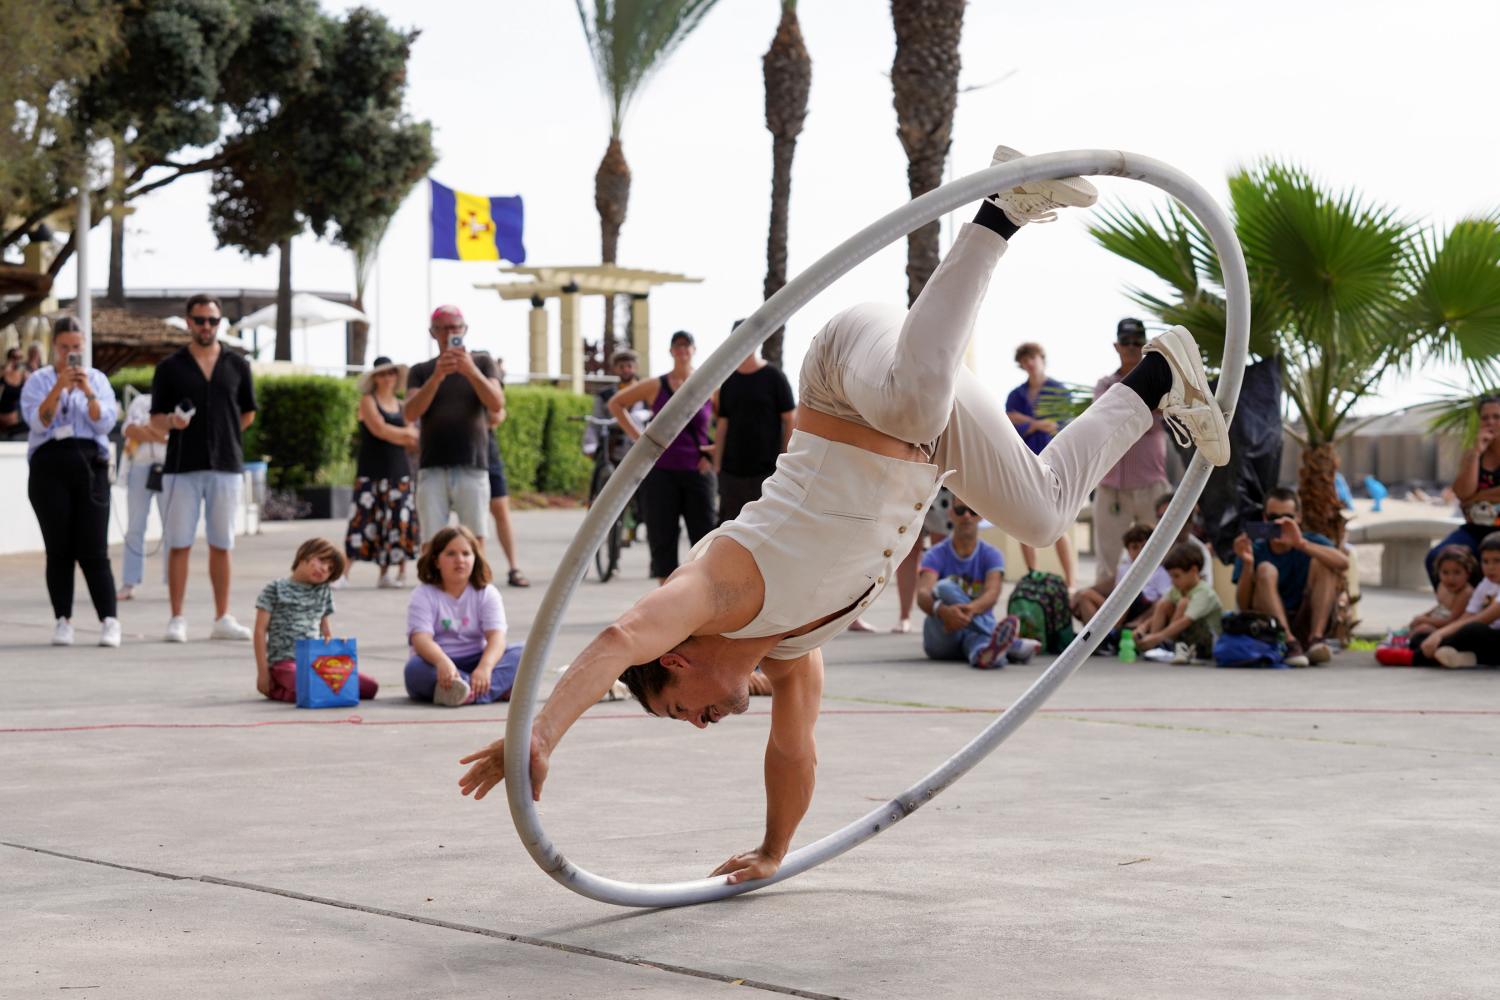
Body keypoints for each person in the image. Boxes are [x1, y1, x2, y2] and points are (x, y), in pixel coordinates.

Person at [457, 145, 1231, 885]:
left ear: (681, 662)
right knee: (1041, 513)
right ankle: (1159, 378)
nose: (699, 724)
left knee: (913, 399)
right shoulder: (793, 655)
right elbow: (793, 754)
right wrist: (772, 850)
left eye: (681, 711)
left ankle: (1001, 207)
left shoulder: (717, 588)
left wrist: (540, 735)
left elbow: (621, 638)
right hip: (926, 432)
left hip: (850, 372)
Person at [149, 293, 257, 643]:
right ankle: (176, 617)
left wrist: (224, 434)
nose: (206, 326)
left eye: (213, 320)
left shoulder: (237, 364)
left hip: (226, 463)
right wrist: (173, 422)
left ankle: (222, 616)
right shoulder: (170, 367)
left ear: (220, 323)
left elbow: (247, 413)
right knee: (179, 543)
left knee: (222, 543)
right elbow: (155, 419)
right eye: (200, 320)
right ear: (188, 322)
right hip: (182, 466)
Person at [20, 316, 122, 647]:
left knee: (94, 548)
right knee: (59, 548)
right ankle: (62, 619)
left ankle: (109, 620)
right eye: (64, 347)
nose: (70, 354)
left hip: (91, 466)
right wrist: (58, 388)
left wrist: (87, 391)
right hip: (49, 467)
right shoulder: (38, 381)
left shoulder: (98, 380)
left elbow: (105, 423)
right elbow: (37, 422)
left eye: (76, 347)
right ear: (54, 346)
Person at [608, 330, 717, 582]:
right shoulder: (656, 385)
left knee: (703, 541)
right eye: (677, 346)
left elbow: (727, 420)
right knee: (662, 539)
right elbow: (616, 403)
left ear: (694, 350)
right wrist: (640, 440)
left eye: (687, 345)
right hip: (661, 472)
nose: (682, 350)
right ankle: (667, 594)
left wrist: (714, 453)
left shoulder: (710, 384)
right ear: (670, 351)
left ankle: (699, 594)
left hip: (698, 471)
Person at [403, 306, 505, 551]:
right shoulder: (421, 371)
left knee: (475, 540)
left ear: (464, 330)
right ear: (432, 333)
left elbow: (496, 403)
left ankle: (475, 578)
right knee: (430, 541)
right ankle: (431, 578)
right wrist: (437, 377)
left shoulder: (482, 363)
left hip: (472, 464)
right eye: (443, 329)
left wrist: (471, 372)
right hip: (432, 466)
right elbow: (410, 413)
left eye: (455, 328)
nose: (449, 334)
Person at [1090, 318, 1170, 591]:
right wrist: (1147, 409)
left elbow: (1156, 421)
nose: (1132, 347)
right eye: (1126, 341)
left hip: (1152, 486)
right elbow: (1106, 419)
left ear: (1145, 345)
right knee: (1108, 562)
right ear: (1117, 345)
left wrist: (1132, 411)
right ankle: (1105, 615)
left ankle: (1154, 609)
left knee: (1158, 556)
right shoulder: (1105, 384)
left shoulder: (1163, 382)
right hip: (1111, 488)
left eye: (1137, 341)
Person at [1231, 487, 1348, 668]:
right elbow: (1243, 604)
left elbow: (1343, 563)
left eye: (1287, 517)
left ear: (1298, 517)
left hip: (1305, 618)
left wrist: (1301, 544)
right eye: (1273, 518)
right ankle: (1288, 642)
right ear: (1264, 518)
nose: (1279, 523)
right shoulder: (1254, 548)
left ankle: (1316, 639)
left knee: (1324, 563)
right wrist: (1247, 564)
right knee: (1265, 569)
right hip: (1269, 625)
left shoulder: (1309, 541)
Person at [404, 524, 520, 706]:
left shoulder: (487, 593)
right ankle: (491, 690)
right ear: (436, 561)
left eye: (466, 554)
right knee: (414, 670)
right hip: (438, 663)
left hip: (478, 659)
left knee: (525, 653)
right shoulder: (423, 594)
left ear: (475, 558)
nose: (460, 560)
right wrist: (442, 662)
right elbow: (421, 640)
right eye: (451, 554)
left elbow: (497, 638)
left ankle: (465, 692)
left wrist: (485, 668)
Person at [253, 538, 379, 702]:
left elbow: (325, 632)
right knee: (305, 682)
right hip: (285, 664)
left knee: (370, 686)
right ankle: (282, 689)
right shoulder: (275, 589)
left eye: (330, 569)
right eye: (321, 560)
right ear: (304, 554)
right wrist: (263, 673)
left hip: (317, 662)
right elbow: (260, 631)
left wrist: (338, 645)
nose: (324, 569)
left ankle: (308, 692)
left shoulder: (323, 591)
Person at [915, 499, 1030, 669]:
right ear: (951, 513)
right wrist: (943, 611)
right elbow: (923, 594)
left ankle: (986, 655)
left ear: (981, 515)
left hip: (975, 632)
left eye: (973, 510)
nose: (967, 515)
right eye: (960, 510)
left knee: (982, 645)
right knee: (944, 587)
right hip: (943, 632)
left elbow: (992, 593)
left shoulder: (992, 554)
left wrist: (969, 612)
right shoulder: (935, 554)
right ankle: (1012, 644)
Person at [345, 357, 420, 588]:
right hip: (371, 471)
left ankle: (395, 573)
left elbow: (413, 438)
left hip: (399, 471)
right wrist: (402, 434)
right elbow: (379, 429)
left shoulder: (402, 406)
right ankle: (344, 573)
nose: (387, 378)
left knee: (398, 521)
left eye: (391, 373)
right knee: (363, 520)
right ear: (375, 378)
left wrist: (398, 434)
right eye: (382, 374)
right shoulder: (368, 401)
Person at [1005, 341, 1075, 587]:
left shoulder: (1059, 391)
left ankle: (1071, 582)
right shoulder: (1015, 394)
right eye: (1024, 360)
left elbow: (1063, 425)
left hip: (1054, 464)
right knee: (1024, 523)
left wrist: (1025, 421)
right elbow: (1008, 428)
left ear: (1041, 358)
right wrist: (1036, 423)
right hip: (1024, 463)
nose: (1029, 363)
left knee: (1059, 524)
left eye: (1032, 358)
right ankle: (1032, 577)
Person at [713, 331, 796, 525]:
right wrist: (717, 464)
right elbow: (723, 423)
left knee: (765, 526)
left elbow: (789, 418)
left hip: (766, 471)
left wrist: (784, 459)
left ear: (757, 341)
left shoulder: (774, 376)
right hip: (732, 472)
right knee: (730, 527)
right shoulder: (728, 380)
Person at [1387, 532, 1500, 668]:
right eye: (1485, 561)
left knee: (1473, 629)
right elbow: (1467, 616)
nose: (1490, 567)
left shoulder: (1470, 591)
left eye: (1497, 561)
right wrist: (1435, 635)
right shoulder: (1487, 583)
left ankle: (1417, 657)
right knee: (1422, 636)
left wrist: (1439, 635)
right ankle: (1459, 657)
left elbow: (1481, 619)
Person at [1424, 397, 1500, 586]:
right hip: (1474, 529)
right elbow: (1463, 493)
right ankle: (1455, 602)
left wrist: (1477, 496)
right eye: (1485, 418)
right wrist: (1475, 453)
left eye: (1497, 417)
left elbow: (1469, 497)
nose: (1490, 422)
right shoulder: (1473, 453)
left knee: (1489, 564)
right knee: (1436, 557)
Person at [1132, 541, 1224, 662]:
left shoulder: (1204, 592)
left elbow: (1185, 621)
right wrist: (1143, 627)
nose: (1173, 581)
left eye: (1176, 576)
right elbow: (1161, 609)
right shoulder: (1178, 589)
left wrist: (1157, 637)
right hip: (1186, 638)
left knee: (1183, 603)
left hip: (1207, 643)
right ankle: (1154, 646)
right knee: (1164, 604)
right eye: (1171, 576)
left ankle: (1164, 643)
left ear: (1194, 570)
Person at [118, 390, 170, 600]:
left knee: (173, 530)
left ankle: (173, 582)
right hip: (139, 468)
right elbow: (129, 430)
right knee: (135, 527)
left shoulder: (177, 403)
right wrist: (159, 433)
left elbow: (175, 438)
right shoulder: (140, 401)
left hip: (168, 469)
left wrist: (147, 430)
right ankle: (129, 581)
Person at [1071, 523, 1170, 630]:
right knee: (1085, 596)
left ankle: (1110, 629)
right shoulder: (1124, 568)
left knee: (1125, 592)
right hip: (1119, 607)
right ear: (1128, 551)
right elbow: (1112, 592)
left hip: (1141, 606)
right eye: (1135, 547)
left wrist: (1142, 621)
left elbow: (1163, 600)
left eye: (1144, 546)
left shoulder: (1159, 572)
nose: (1140, 551)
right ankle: (1097, 633)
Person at [483, 356, 528, 587]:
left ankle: (513, 566)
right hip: (464, 458)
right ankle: (478, 572)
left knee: (500, 509)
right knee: (472, 518)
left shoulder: (490, 387)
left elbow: (496, 416)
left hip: (488, 454)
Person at [1408, 545, 1476, 633]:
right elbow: (1440, 607)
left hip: (1450, 629)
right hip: (1438, 621)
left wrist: (1424, 620)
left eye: (1457, 572)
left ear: (1468, 573)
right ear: (1438, 572)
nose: (1451, 578)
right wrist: (1424, 615)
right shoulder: (1442, 586)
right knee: (1414, 625)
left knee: (1423, 628)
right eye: (1445, 572)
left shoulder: (1465, 593)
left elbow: (1451, 621)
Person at [1, 346, 28, 438]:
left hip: (13, 421)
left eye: (20, 357)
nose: (18, 360)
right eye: (14, 357)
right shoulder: (2, 372)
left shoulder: (23, 375)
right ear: (9, 358)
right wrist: (5, 372)